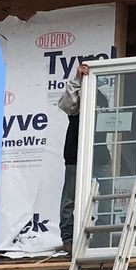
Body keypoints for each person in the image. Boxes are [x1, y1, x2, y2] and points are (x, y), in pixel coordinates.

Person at [56, 62, 85, 247]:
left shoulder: (101, 95)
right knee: (70, 196)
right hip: (75, 150)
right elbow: (68, 106)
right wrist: (78, 79)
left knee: (105, 192)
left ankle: (101, 233)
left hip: (99, 153)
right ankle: (68, 237)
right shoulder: (76, 91)